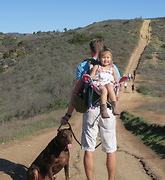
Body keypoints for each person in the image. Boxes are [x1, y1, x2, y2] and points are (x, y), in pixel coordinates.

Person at [61, 39, 120, 180]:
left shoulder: (84, 66)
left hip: (91, 110)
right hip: (109, 111)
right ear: (102, 51)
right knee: (110, 150)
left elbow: (76, 93)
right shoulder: (112, 67)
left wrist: (68, 115)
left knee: (89, 149)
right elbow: (116, 91)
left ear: (91, 50)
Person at [90, 48, 120, 118]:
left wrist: (115, 81)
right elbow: (91, 76)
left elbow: (116, 78)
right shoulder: (97, 66)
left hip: (109, 82)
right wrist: (96, 79)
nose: (106, 60)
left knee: (110, 88)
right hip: (99, 83)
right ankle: (103, 109)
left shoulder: (112, 68)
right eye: (103, 57)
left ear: (111, 59)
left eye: (108, 57)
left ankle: (114, 106)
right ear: (100, 58)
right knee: (104, 90)